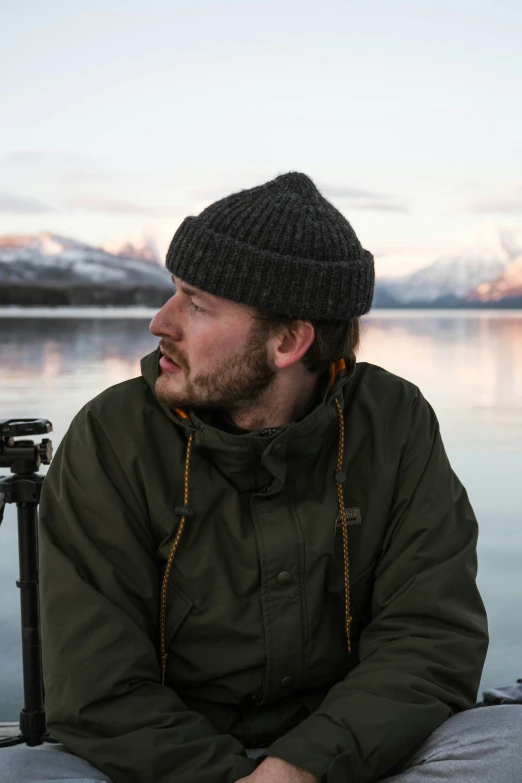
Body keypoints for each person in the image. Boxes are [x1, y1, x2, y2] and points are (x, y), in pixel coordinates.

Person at [3, 172, 521, 783]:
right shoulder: (111, 435)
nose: (160, 322)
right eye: (174, 293)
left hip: (349, 751)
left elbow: (431, 638)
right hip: (157, 762)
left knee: (508, 743)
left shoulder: (394, 420)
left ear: (288, 341)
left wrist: (303, 765)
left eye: (196, 304)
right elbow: (96, 687)